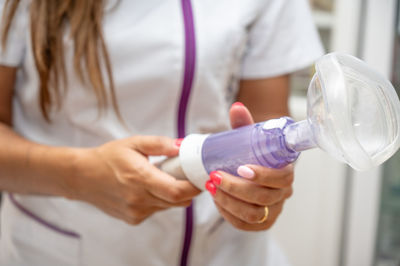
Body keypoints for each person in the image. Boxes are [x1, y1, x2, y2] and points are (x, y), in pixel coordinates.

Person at [0, 0, 323, 265]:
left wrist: (262, 192)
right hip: (67, 247)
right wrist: (80, 176)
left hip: (225, 250)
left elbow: (266, 116)